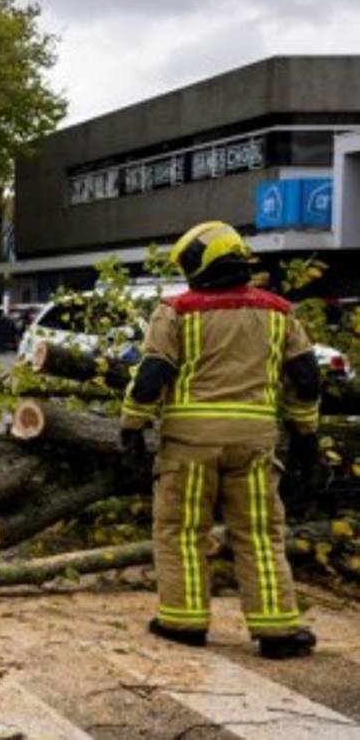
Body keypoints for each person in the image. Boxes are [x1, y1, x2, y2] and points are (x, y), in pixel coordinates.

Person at [120, 221, 320, 659]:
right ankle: (277, 630)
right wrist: (306, 434)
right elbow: (307, 379)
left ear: (199, 265)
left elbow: (152, 376)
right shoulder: (279, 311)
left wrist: (131, 426)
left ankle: (184, 621)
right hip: (254, 445)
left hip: (188, 446)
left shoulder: (176, 311)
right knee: (259, 534)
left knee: (180, 531)